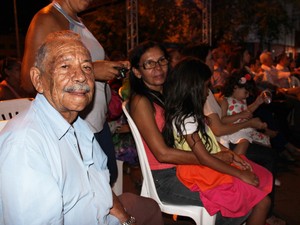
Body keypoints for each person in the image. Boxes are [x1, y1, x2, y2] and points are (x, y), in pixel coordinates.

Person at [0, 30, 163, 225]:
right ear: (38, 79)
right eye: (65, 66)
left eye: (87, 67)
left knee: (150, 208)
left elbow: (99, 183)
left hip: (101, 215)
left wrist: (126, 220)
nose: (80, 76)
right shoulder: (24, 146)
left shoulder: (79, 125)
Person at [128, 40, 251, 225]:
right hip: (165, 179)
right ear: (137, 71)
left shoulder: (167, 93)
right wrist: (212, 156)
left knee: (244, 185)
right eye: (149, 64)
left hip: (185, 168)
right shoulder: (141, 102)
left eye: (162, 60)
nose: (158, 68)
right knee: (237, 198)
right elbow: (162, 153)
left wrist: (222, 153)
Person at [20, 0, 128, 185]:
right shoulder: (47, 19)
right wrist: (93, 70)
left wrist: (110, 66)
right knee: (90, 187)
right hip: (72, 125)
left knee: (106, 177)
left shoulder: (77, 19)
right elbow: (28, 81)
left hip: (93, 122)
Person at [163, 57, 272, 224]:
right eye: (206, 86)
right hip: (201, 170)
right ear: (194, 87)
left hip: (210, 163)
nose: (208, 92)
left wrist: (231, 154)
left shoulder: (190, 113)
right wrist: (239, 173)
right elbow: (204, 157)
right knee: (262, 201)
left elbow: (211, 142)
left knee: (259, 183)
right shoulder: (186, 118)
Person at [219, 71, 271, 155]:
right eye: (246, 92)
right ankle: (235, 162)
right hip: (234, 130)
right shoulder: (226, 100)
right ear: (235, 87)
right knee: (244, 142)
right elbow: (223, 119)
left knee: (265, 140)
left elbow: (246, 111)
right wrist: (240, 115)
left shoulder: (242, 100)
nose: (247, 96)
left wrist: (256, 103)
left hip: (245, 128)